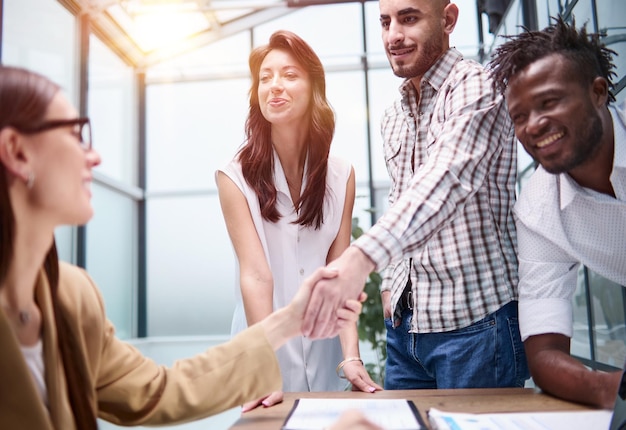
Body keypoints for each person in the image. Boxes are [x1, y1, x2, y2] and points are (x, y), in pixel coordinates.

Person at [0, 65, 364, 429]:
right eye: (75, 135)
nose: (94, 157)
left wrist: (292, 319)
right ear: (16, 153)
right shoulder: (235, 173)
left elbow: (159, 392)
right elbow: (254, 274)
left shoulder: (72, 297)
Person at [301, 0, 529, 390]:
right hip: (407, 329)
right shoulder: (395, 114)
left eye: (409, 19)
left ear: (449, 19)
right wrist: (392, 282)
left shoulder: (477, 86)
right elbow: (401, 197)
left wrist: (359, 260)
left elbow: (443, 182)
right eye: (385, 22)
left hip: (477, 326)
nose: (394, 36)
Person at [216, 30, 381, 407]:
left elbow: (341, 272)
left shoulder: (341, 174)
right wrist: (263, 367)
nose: (275, 86)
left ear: (313, 88)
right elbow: (257, 276)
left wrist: (350, 355)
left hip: (323, 353)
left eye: (289, 75)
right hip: (261, 351)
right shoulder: (233, 176)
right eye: (265, 77)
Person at [489, 17, 626, 409]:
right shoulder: (537, 210)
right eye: (519, 116)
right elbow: (545, 353)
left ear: (598, 92)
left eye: (549, 102)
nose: (534, 125)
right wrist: (611, 390)